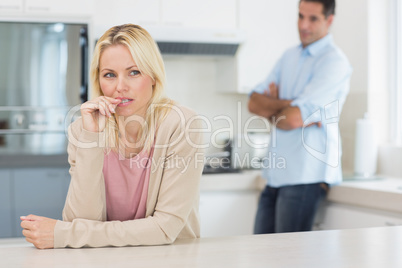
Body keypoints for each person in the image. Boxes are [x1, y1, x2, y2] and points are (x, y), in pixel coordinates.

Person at [20, 24, 205, 249]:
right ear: (99, 81)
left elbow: (164, 228)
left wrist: (65, 235)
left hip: (169, 259)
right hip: (104, 260)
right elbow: (81, 221)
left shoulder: (182, 124)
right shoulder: (82, 130)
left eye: (134, 72)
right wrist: (91, 139)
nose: (120, 87)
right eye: (109, 75)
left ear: (154, 76)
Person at [248, 0, 352, 234]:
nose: (304, 25)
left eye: (313, 18)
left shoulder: (334, 63)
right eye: (300, 16)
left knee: (290, 258)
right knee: (261, 256)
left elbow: (292, 120)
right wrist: (291, 105)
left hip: (306, 177)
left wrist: (278, 110)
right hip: (275, 176)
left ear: (330, 20)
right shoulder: (289, 57)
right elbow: (253, 102)